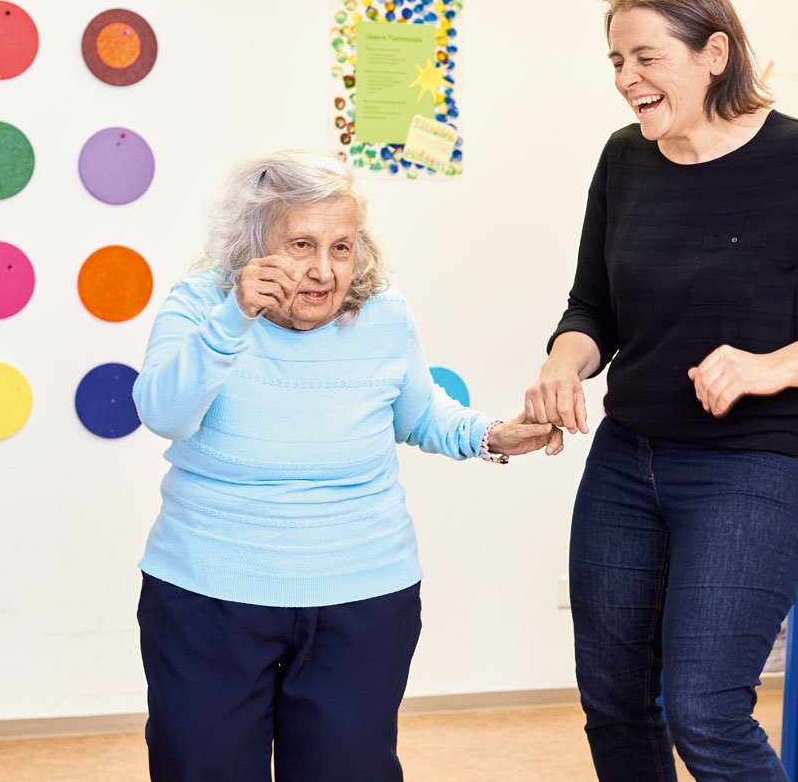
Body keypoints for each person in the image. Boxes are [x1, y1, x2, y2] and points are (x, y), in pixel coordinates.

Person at [524, 0, 798, 781]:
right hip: (628, 463)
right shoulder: (624, 158)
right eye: (615, 61)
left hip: (757, 467)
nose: (626, 78)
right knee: (615, 701)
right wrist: (564, 360)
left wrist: (771, 367)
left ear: (713, 53)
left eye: (644, 57)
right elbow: (592, 306)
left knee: (704, 710)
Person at [132, 149, 560, 782]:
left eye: (341, 246)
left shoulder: (384, 313)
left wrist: (490, 435)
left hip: (363, 594)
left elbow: (419, 413)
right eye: (301, 244)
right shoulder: (203, 304)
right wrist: (233, 320)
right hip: (209, 592)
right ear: (252, 244)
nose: (324, 270)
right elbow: (163, 410)